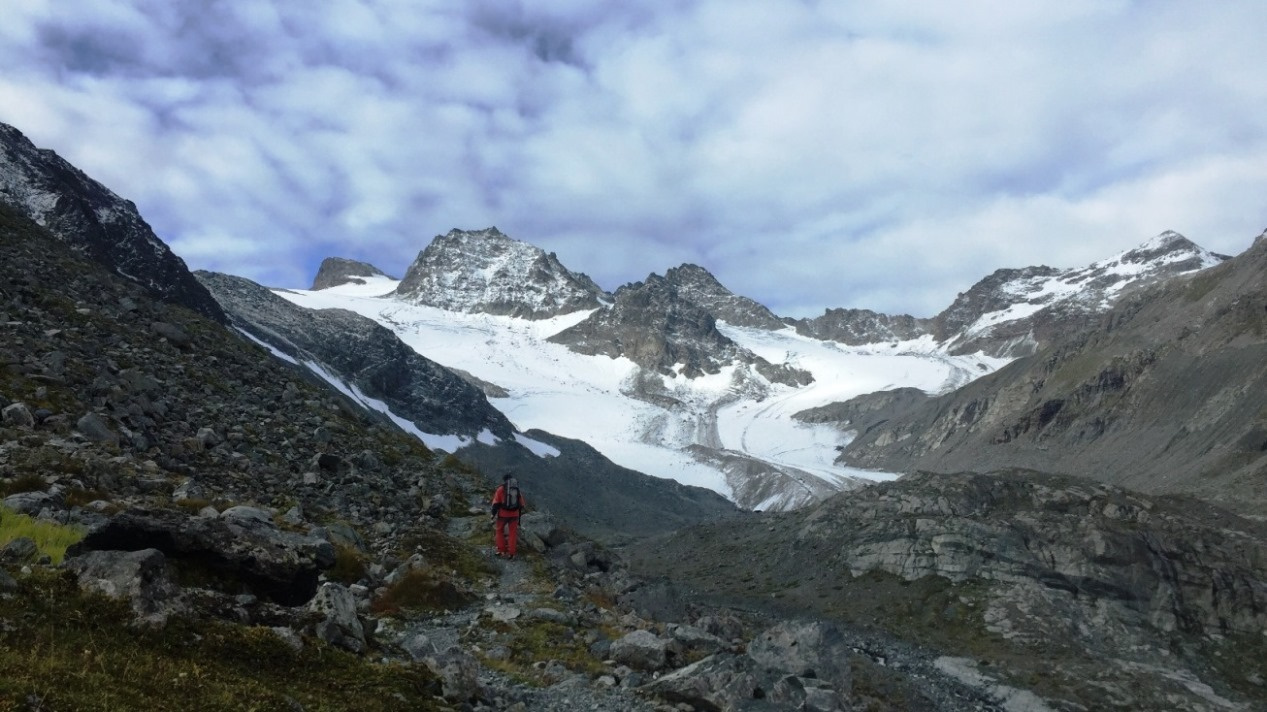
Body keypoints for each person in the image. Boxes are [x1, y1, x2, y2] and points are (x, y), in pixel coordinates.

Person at [491, 473, 525, 559]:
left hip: (503, 515)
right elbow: (521, 505)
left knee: (499, 531)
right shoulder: (517, 489)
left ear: (504, 480)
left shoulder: (501, 489)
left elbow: (495, 504)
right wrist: (519, 519)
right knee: (512, 533)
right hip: (515, 515)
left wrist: (493, 514)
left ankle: (501, 550)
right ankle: (512, 553)